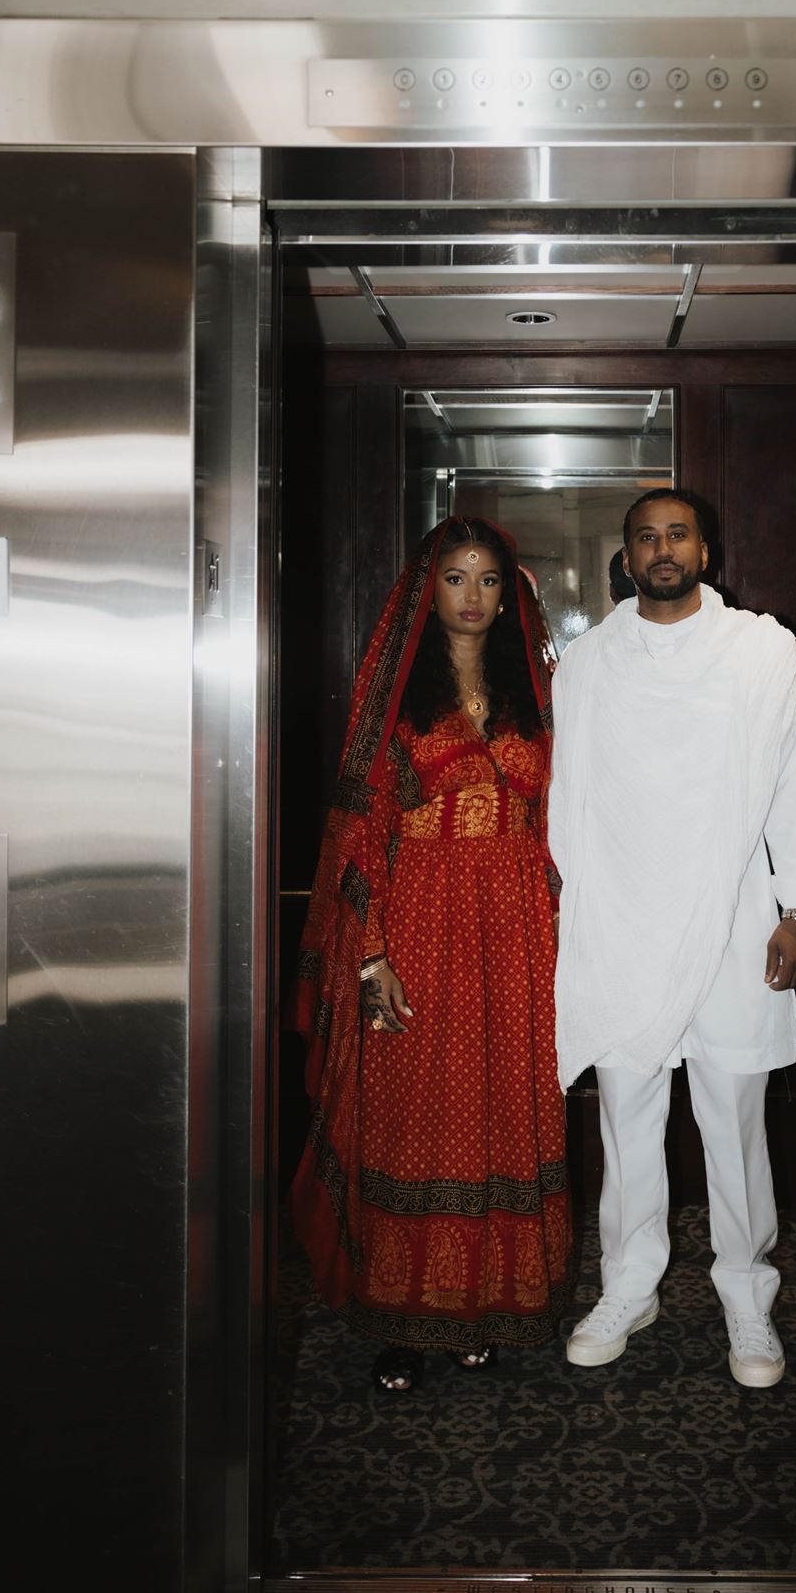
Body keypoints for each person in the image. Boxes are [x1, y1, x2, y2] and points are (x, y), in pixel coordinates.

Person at [548, 488, 796, 1389]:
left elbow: (790, 782)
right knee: (628, 1122)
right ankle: (629, 1284)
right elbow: (570, 805)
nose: (661, 549)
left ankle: (746, 1296)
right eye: (644, 538)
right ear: (625, 558)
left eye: (677, 535)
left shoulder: (759, 650)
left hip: (737, 920)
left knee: (733, 1122)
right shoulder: (588, 662)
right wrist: (583, 920)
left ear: (704, 549)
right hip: (625, 922)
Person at [290, 517, 572, 1390]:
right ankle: (400, 1319)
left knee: (500, 1109)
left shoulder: (539, 693)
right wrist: (371, 956)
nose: (474, 596)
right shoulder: (395, 702)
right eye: (456, 578)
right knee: (414, 1117)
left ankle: (482, 1302)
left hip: (519, 929)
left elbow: (570, 816)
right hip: (421, 923)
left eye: (489, 580)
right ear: (426, 589)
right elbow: (358, 836)